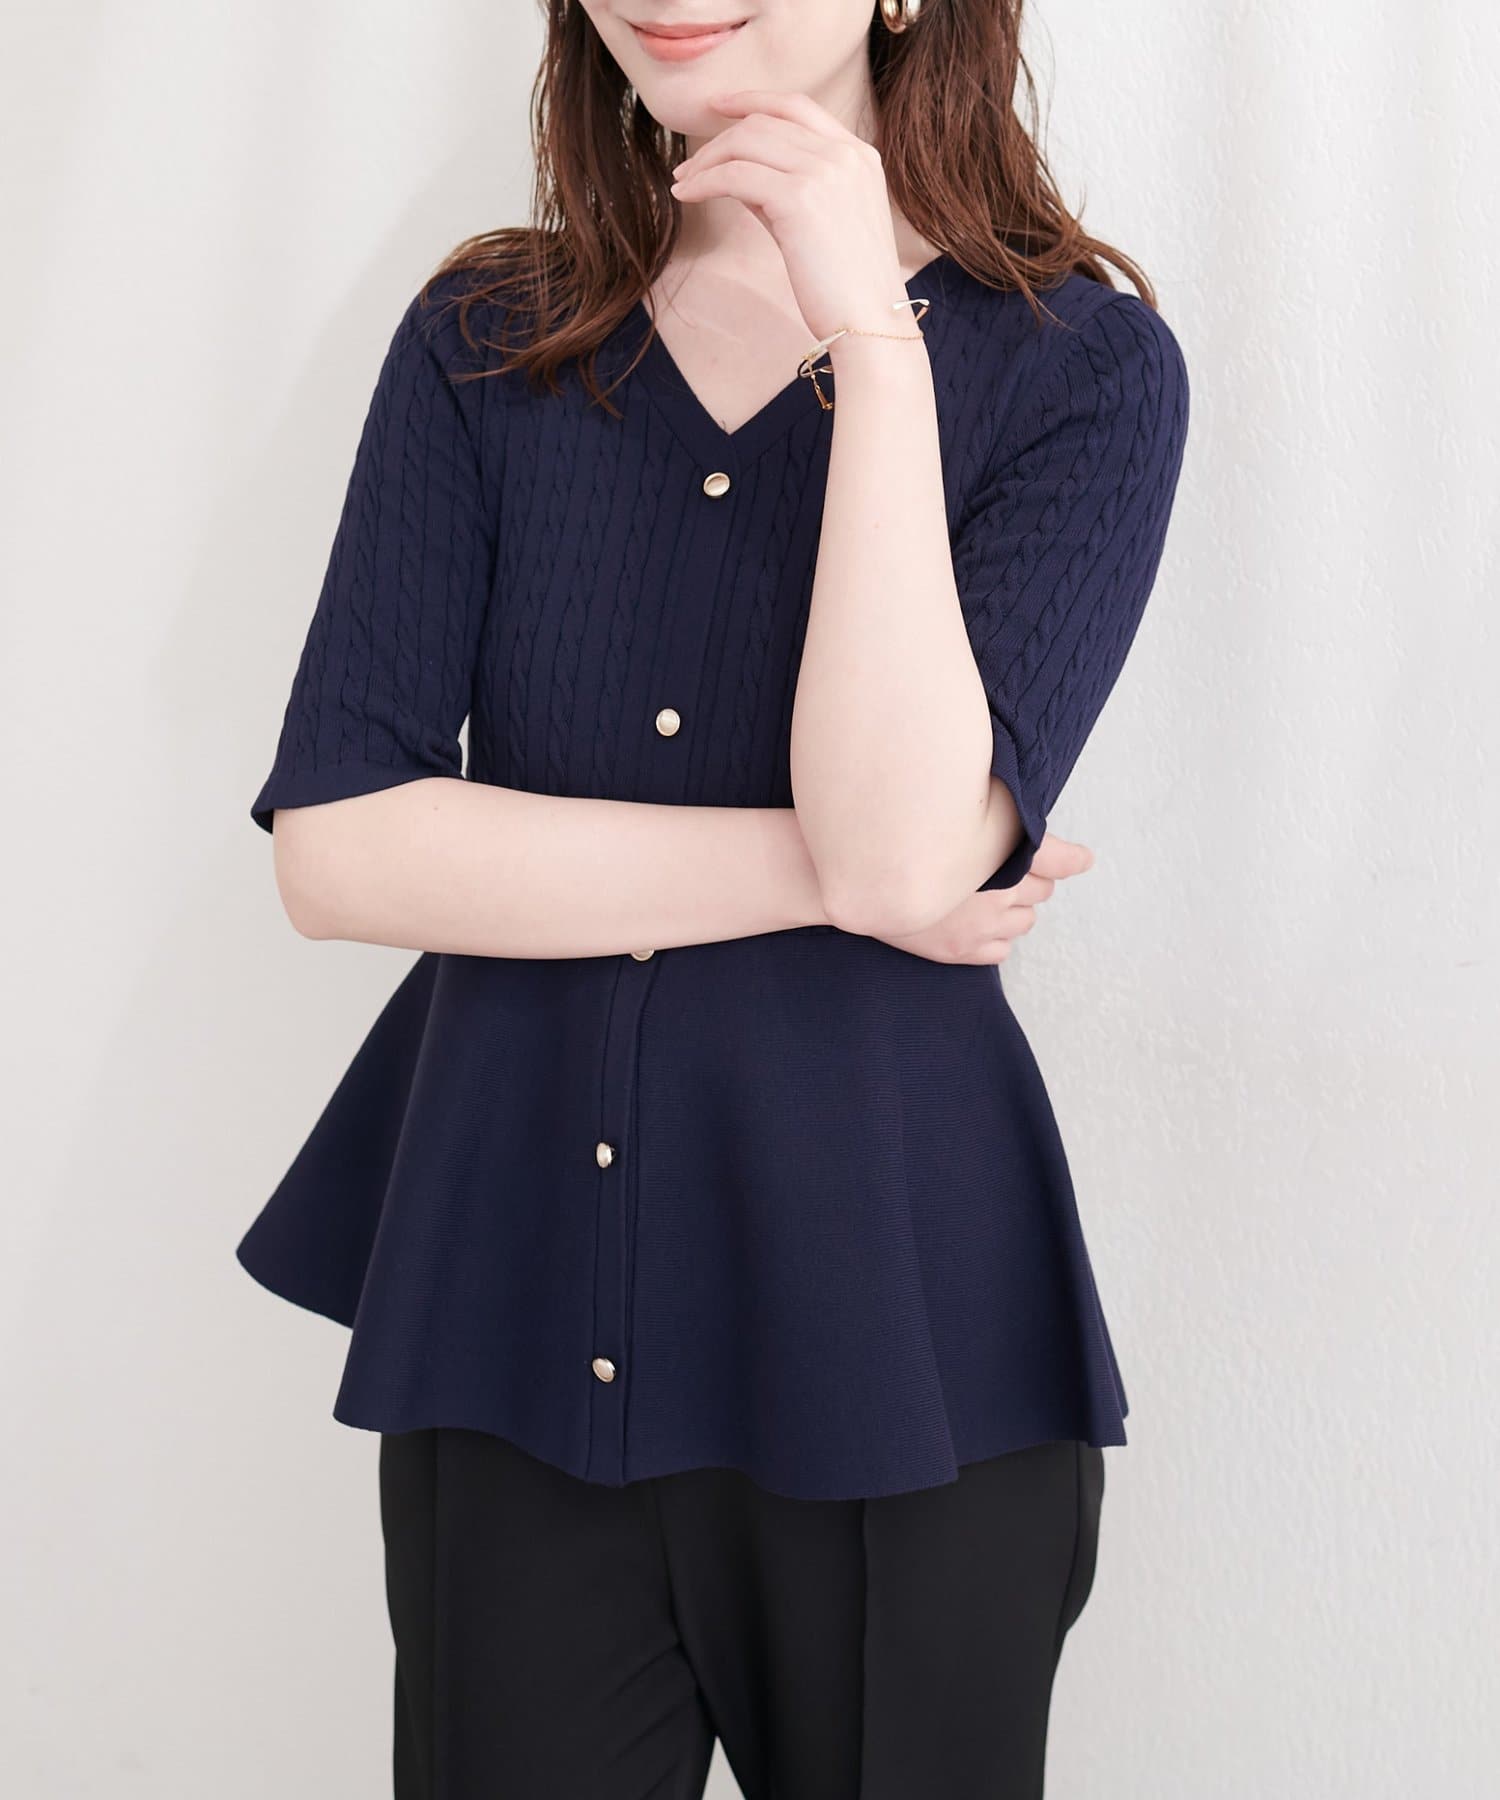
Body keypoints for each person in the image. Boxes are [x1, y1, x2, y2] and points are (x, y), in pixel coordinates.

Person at [239, 1, 1190, 1794]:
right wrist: (846, 885)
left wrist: (874, 343)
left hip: (894, 1343)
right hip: (512, 1309)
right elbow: (341, 848)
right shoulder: (487, 337)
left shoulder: (1081, 368)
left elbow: (901, 841)